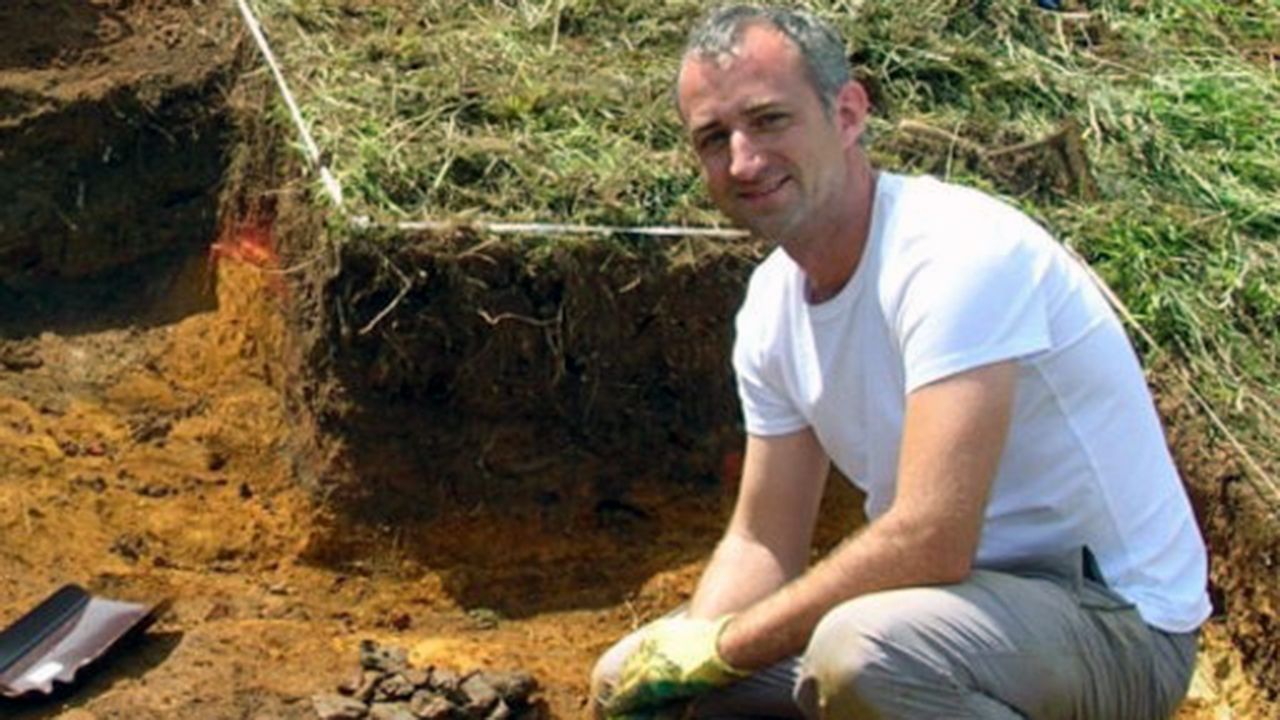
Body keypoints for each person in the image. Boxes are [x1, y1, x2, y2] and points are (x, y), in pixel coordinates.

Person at [591, 5, 1210, 720]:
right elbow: (764, 539)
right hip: (939, 616)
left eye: (769, 121)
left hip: (1111, 620)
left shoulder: (956, 253)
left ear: (848, 113)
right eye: (713, 138)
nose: (743, 161)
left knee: (864, 656)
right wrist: (689, 669)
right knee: (629, 677)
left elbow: (930, 537)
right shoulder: (770, 308)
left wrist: (728, 648)